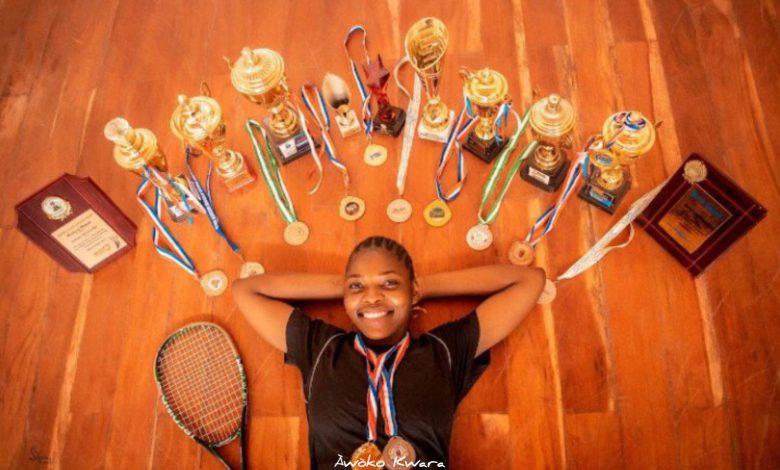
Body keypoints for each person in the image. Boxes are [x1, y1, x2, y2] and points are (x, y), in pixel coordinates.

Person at [232, 236, 545, 469]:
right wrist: (348, 287)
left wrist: (418, 287)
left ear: (412, 291)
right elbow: (246, 290)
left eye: (389, 283)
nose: (372, 298)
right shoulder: (320, 348)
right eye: (357, 288)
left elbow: (528, 280)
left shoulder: (444, 352)